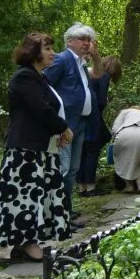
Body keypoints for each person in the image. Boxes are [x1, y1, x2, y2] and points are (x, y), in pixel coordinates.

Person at [0, 32, 73, 261]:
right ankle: (26, 244)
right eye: (47, 48)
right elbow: (42, 109)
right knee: (24, 198)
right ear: (33, 52)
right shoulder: (24, 77)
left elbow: (47, 109)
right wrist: (64, 128)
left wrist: (58, 131)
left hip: (38, 148)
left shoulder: (38, 76)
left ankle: (25, 245)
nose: (52, 52)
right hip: (24, 150)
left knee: (36, 196)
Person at [44, 22, 98, 227]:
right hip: (64, 125)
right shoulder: (62, 59)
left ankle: (66, 209)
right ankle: (59, 214)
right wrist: (56, 123)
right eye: (82, 39)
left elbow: (99, 74)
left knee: (73, 169)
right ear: (69, 41)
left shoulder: (81, 63)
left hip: (80, 123)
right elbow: (45, 87)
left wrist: (96, 54)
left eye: (89, 39)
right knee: (64, 169)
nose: (86, 43)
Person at [79, 56, 123, 197]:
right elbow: (102, 101)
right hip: (92, 117)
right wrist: (98, 112)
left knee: (82, 151)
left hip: (80, 116)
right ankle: (91, 187)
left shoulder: (87, 74)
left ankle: (82, 187)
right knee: (93, 150)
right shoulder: (103, 77)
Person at [110, 106, 140, 192]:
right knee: (138, 162)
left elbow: (114, 130)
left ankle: (129, 186)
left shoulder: (125, 111)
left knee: (121, 161)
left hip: (126, 134)